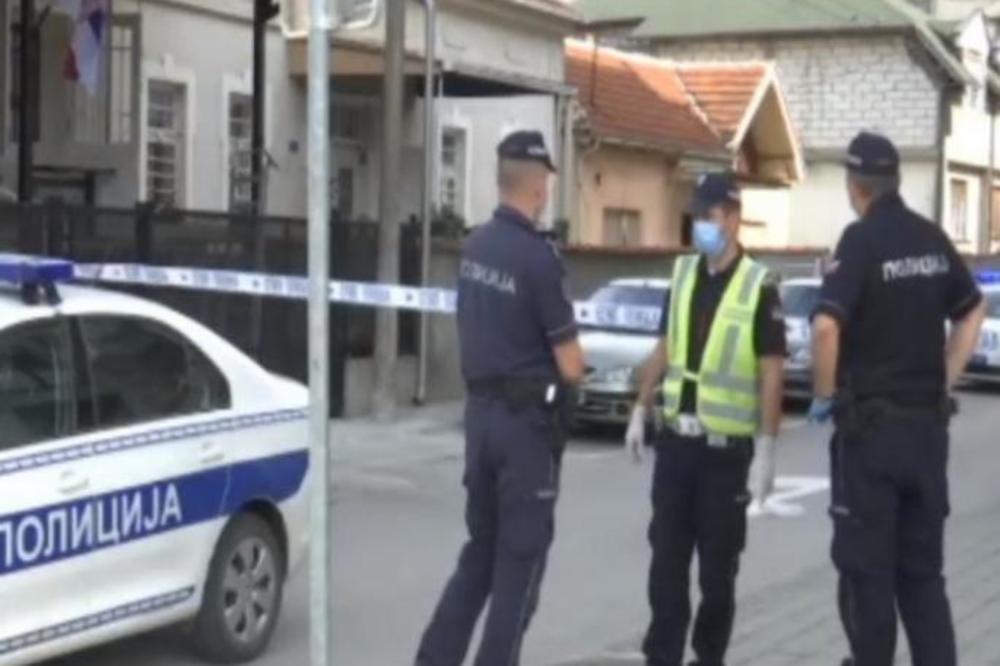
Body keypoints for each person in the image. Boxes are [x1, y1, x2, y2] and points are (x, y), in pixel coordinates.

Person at [809, 131, 987, 666]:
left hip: (872, 440)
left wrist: (824, 394)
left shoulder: (859, 241)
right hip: (927, 436)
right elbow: (972, 311)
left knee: (868, 579)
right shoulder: (932, 238)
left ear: (854, 186)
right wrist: (943, 379)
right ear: (896, 180)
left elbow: (825, 327)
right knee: (923, 579)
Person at [415, 130, 585, 666]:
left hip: (480, 420)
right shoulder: (538, 259)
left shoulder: (475, 246)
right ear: (539, 188)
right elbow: (571, 364)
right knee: (519, 566)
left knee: (479, 556)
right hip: (524, 431)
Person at [625, 173, 786, 666]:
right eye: (696, 216)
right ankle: (663, 656)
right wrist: (640, 406)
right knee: (665, 568)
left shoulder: (759, 286)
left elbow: (772, 373)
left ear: (733, 219)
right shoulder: (682, 275)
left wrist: (766, 449)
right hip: (677, 447)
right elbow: (665, 346)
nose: (701, 226)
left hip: (725, 456)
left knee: (717, 576)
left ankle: (708, 656)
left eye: (709, 216)